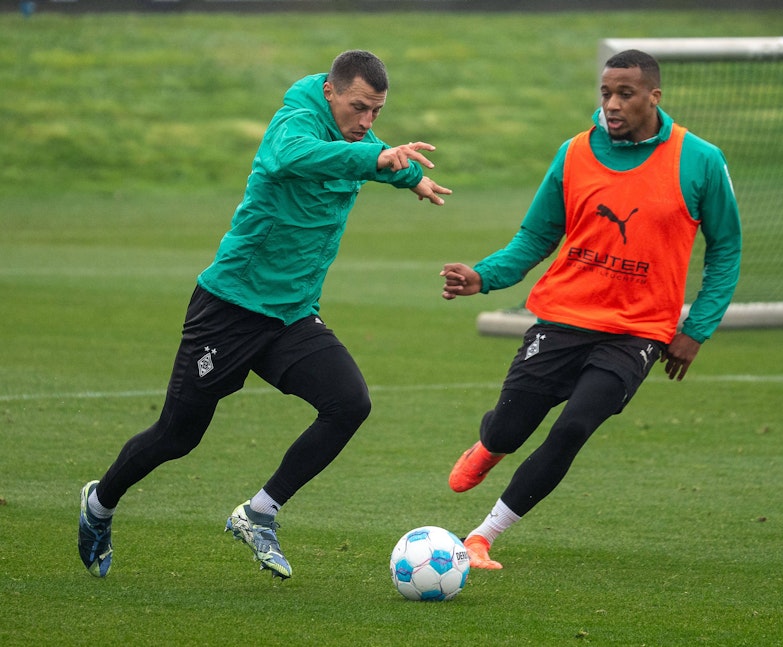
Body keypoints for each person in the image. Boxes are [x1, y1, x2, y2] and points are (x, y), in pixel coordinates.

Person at [78, 49, 451, 579]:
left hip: (290, 316)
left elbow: (371, 153)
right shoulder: (294, 124)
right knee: (177, 437)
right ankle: (100, 503)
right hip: (230, 307)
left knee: (349, 403)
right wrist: (380, 161)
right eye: (358, 107)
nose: (367, 122)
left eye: (377, 113)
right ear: (330, 92)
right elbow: (297, 157)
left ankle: (259, 513)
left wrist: (407, 176)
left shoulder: (355, 138)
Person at [440, 49, 741, 570]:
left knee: (574, 426)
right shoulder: (574, 153)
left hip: (637, 333)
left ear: (654, 96)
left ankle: (482, 536)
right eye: (606, 93)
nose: (613, 104)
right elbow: (536, 236)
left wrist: (698, 327)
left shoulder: (701, 160)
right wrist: (483, 276)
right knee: (512, 429)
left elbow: (727, 247)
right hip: (562, 317)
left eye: (625, 94)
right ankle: (491, 444)